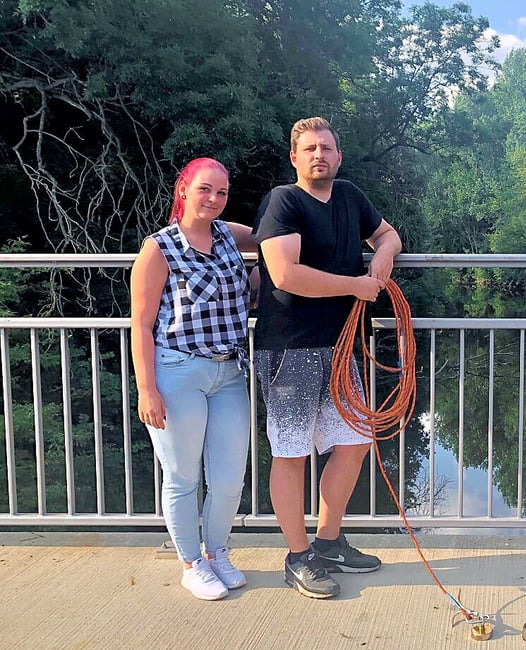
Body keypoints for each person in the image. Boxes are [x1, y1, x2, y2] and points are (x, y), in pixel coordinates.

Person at [252, 116, 402, 600]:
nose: (319, 154)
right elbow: (285, 274)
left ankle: (330, 540)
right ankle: (298, 557)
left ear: (339, 156)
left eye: (327, 147)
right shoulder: (284, 201)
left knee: (356, 440)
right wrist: (356, 285)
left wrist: (382, 254)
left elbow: (388, 234)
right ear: (295, 158)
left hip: (339, 348)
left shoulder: (350, 196)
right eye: (310, 148)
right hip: (289, 349)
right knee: (291, 454)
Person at [131, 157, 257, 601]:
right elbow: (141, 324)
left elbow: (272, 236)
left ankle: (217, 550)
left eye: (221, 192)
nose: (214, 199)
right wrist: (147, 389)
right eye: (205, 189)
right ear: (183, 189)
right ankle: (191, 562)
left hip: (228, 371)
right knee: (182, 476)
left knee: (227, 477)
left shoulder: (227, 234)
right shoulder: (159, 247)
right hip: (177, 370)